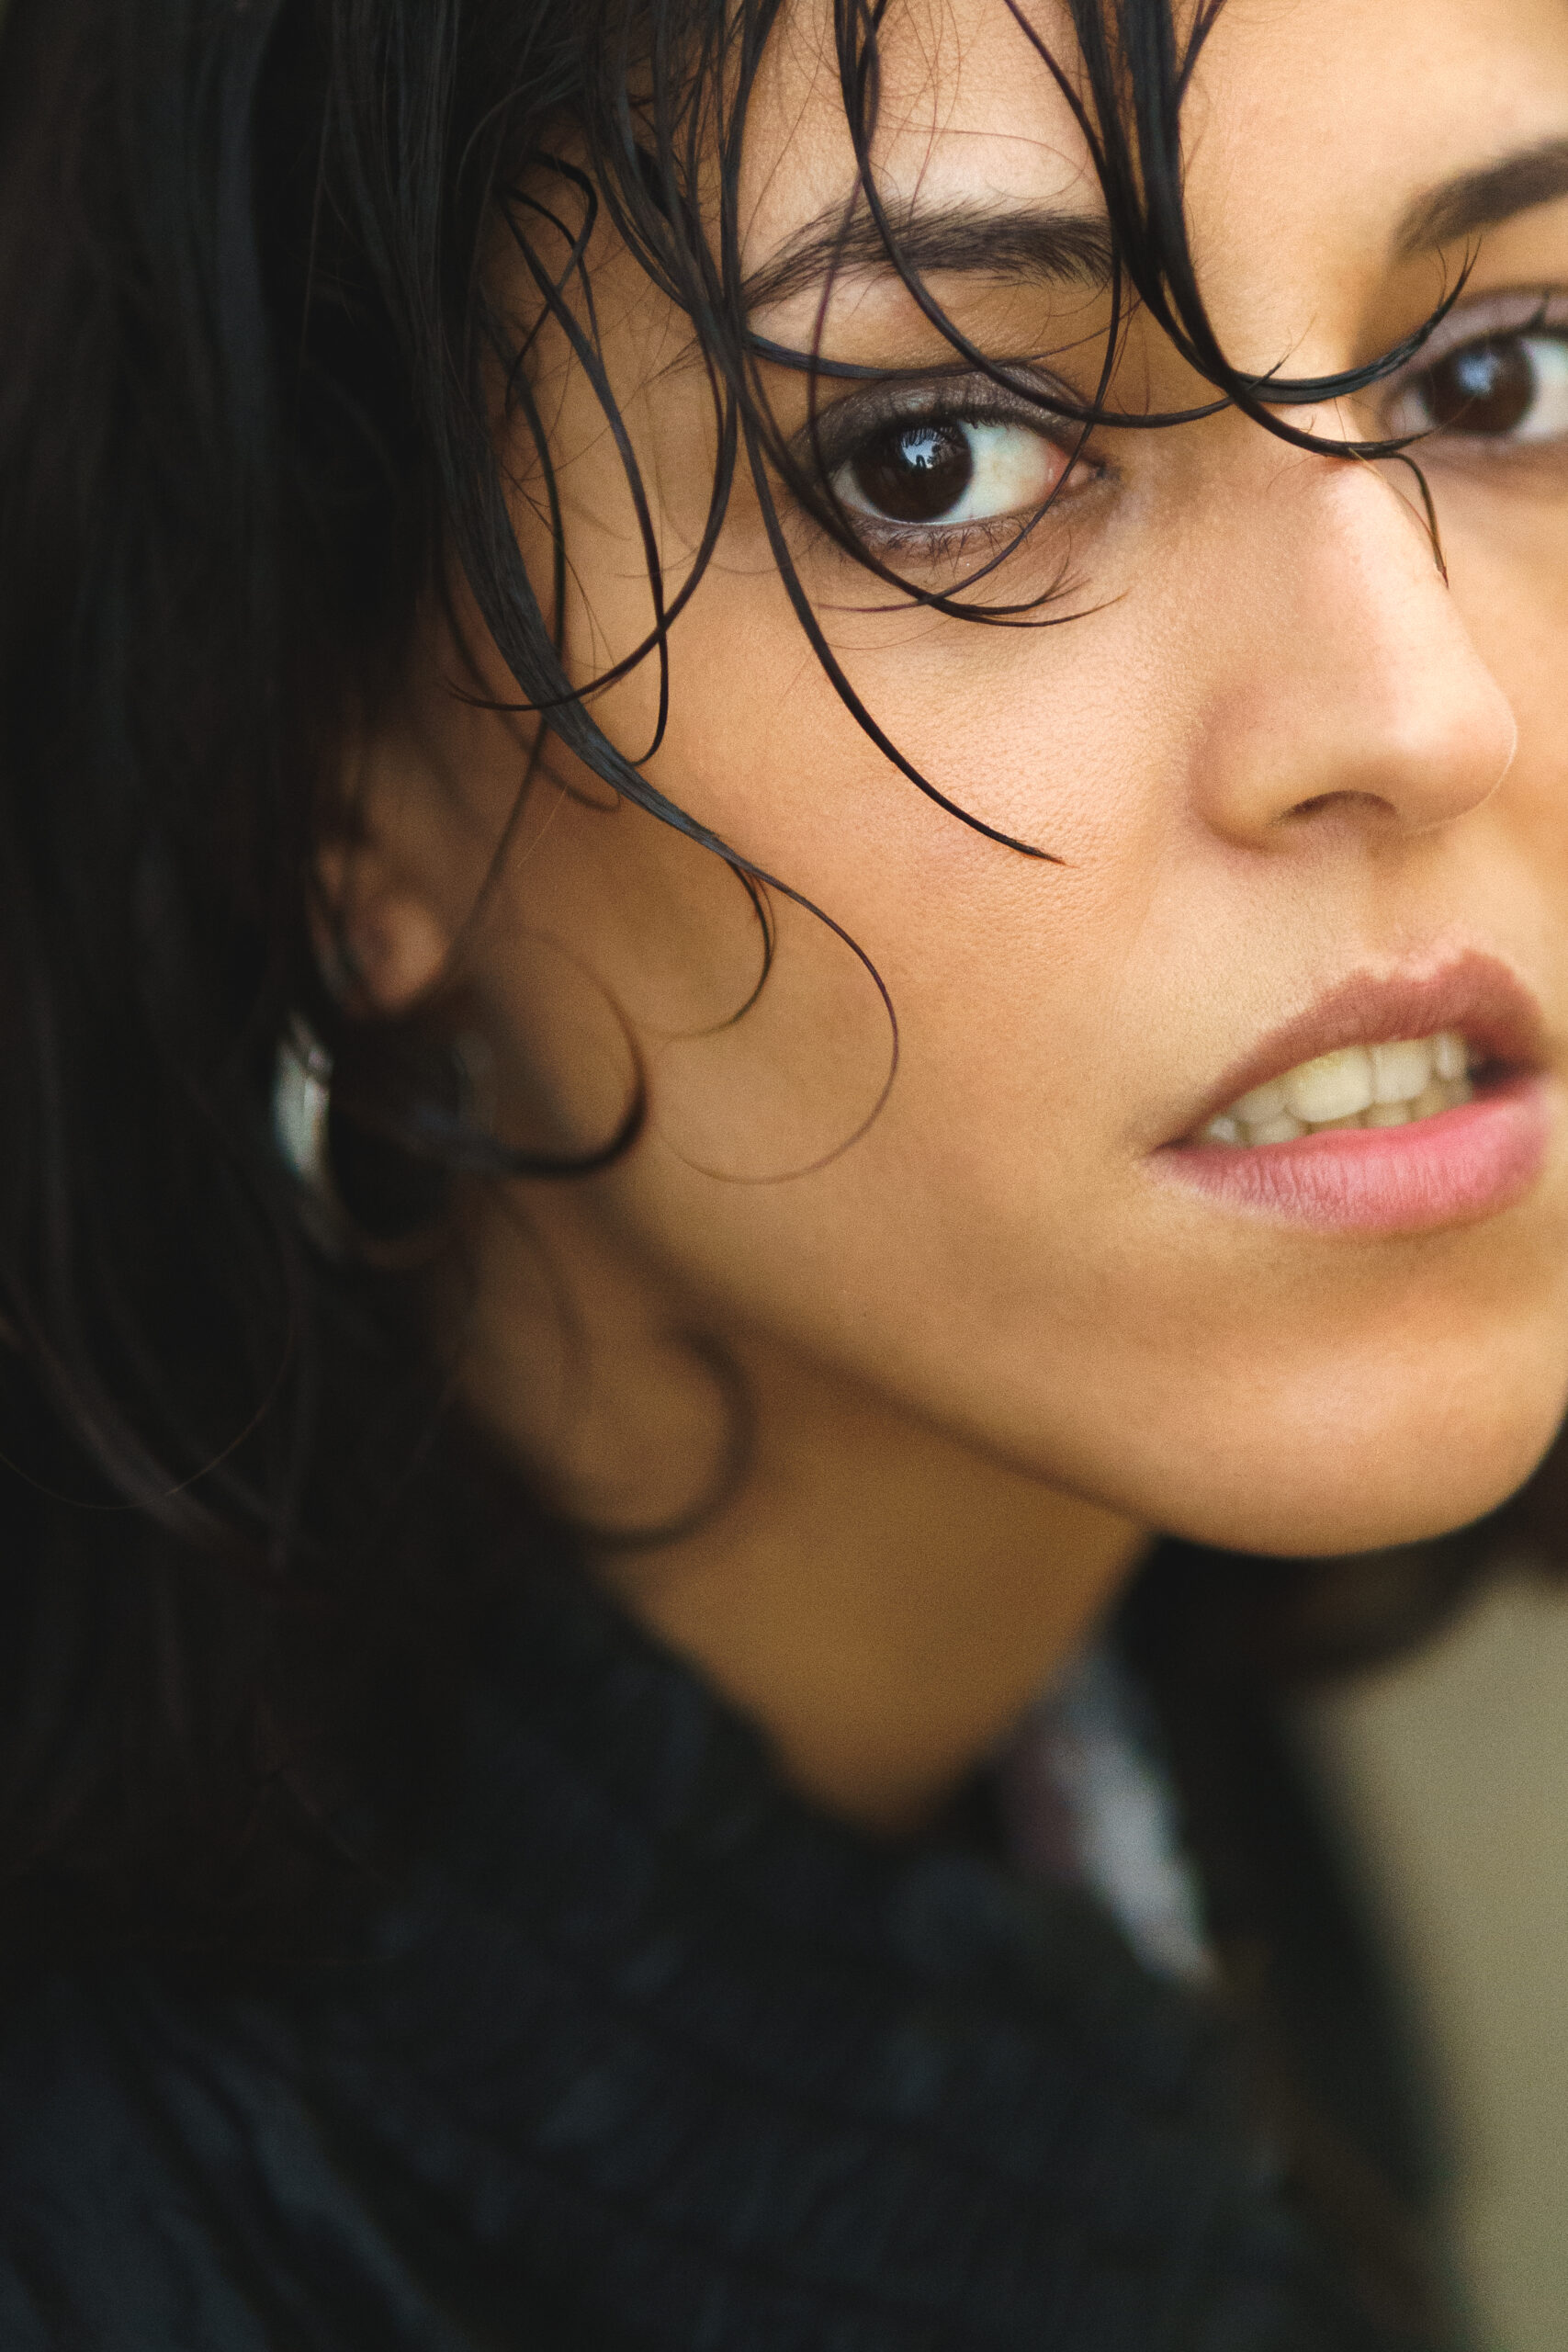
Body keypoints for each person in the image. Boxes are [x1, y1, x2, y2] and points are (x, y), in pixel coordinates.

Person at [3, 0, 1567, 2340]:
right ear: (322, 758)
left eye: (1498, 377)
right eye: (933, 457)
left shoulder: (1099, 1729)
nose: (1421, 707)